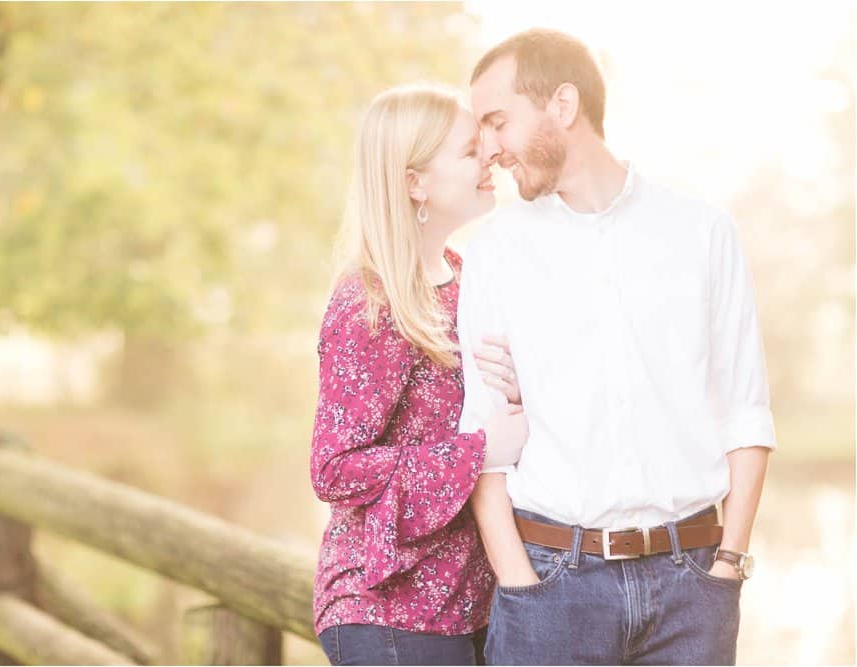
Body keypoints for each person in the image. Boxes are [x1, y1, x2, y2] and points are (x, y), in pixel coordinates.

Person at [459, 28, 776, 665]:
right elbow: (483, 439)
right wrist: (520, 585)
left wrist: (727, 567)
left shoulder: (701, 232)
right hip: (549, 587)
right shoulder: (495, 250)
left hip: (694, 591)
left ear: (563, 105)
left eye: (498, 122)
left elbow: (744, 411)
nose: (488, 150)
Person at [310, 82, 530, 666]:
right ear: (414, 183)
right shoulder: (369, 303)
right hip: (389, 613)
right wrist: (476, 451)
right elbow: (333, 470)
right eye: (467, 149)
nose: (489, 156)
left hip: (466, 606)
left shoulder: (466, 277)